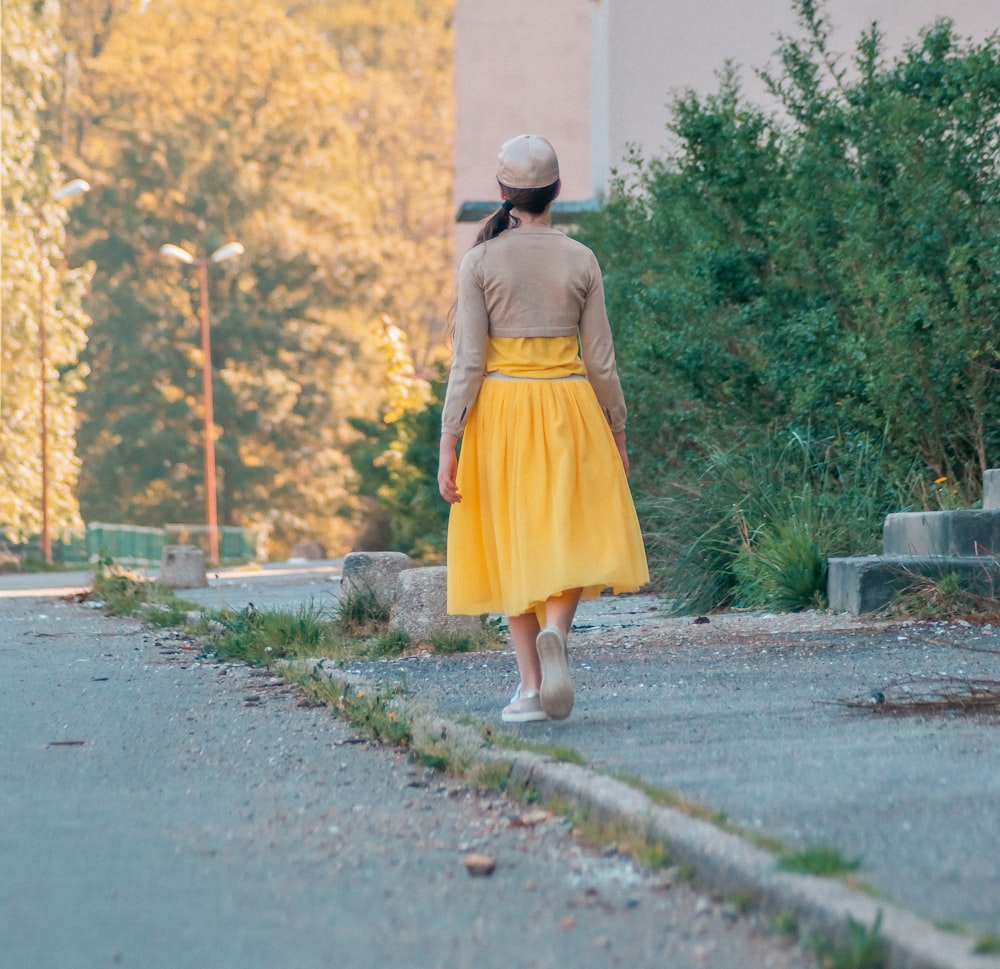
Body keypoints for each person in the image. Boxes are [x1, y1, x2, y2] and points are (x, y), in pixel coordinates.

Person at [437, 134, 649, 724]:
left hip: (502, 412)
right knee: (565, 529)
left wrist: (449, 439)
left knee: (513, 539)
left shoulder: (480, 261)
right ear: (556, 191)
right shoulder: (581, 258)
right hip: (569, 406)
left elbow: (468, 363)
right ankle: (558, 630)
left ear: (503, 194)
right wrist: (618, 432)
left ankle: (530, 688)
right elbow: (602, 361)